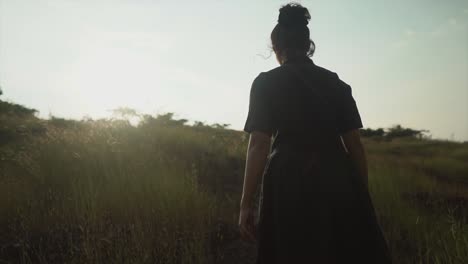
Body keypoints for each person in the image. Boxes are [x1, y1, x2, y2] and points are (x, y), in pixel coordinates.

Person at [238, 3, 392, 264]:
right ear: (308, 44)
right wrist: (360, 195)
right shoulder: (336, 83)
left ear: (276, 48)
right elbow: (354, 145)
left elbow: (258, 145)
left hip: (287, 182)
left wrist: (245, 204)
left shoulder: (265, 82)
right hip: (337, 179)